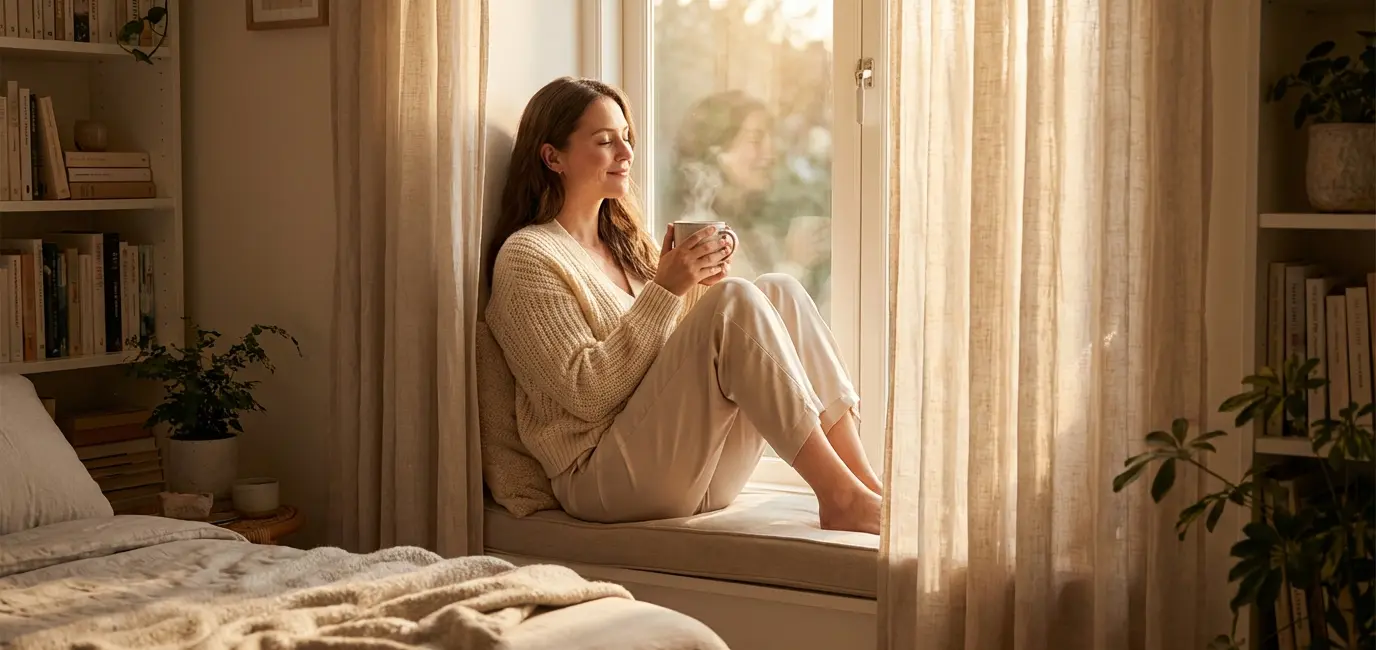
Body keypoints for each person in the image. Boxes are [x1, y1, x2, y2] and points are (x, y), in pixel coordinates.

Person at [483, 77, 882, 535]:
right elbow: (586, 394)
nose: (626, 153)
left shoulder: (627, 245)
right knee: (737, 301)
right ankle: (840, 497)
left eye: (626, 138)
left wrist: (694, 285)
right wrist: (668, 290)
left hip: (687, 468)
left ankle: (862, 485)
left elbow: (664, 363)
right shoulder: (528, 256)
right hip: (603, 481)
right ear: (553, 157)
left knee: (778, 290)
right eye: (604, 141)